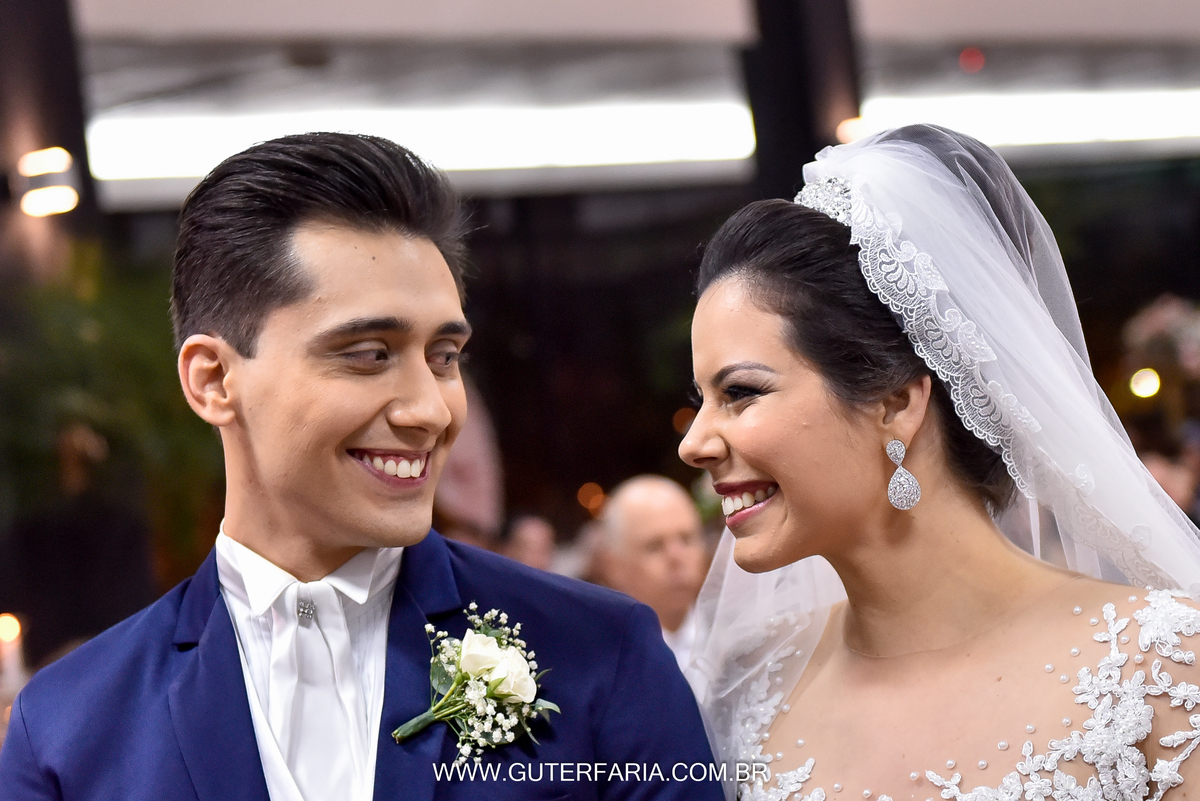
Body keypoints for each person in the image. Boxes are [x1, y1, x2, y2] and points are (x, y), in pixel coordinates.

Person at [0, 133, 722, 801]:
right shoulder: (69, 726)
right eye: (370, 354)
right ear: (214, 381)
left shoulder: (599, 654)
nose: (430, 409)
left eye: (444, 357)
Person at [678, 124, 1200, 800]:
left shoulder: (1159, 669)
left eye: (741, 392)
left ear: (896, 403)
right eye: (701, 400)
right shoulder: (746, 685)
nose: (695, 442)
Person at [593, 476, 708, 669]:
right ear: (614, 566)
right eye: (654, 546)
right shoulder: (602, 663)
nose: (676, 557)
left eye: (686, 539)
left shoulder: (735, 641)